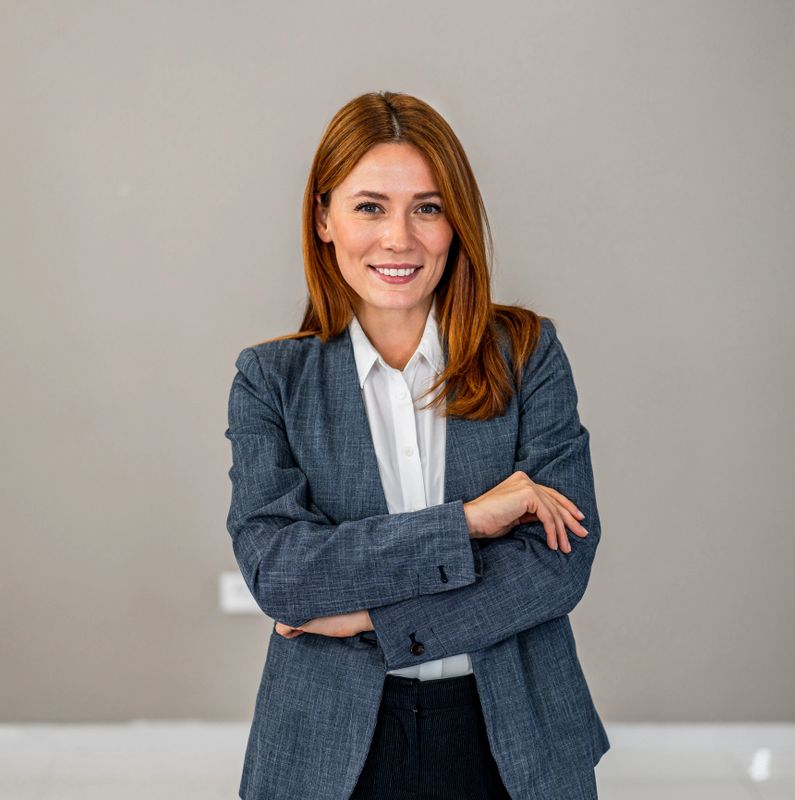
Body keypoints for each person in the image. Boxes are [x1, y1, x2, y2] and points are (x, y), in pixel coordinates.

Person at [225, 90, 610, 800]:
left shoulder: (528, 354)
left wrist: (370, 615)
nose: (399, 238)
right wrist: (465, 524)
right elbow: (280, 574)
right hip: (329, 750)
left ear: (455, 222)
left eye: (427, 207)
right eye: (370, 206)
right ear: (324, 219)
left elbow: (559, 565)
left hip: (515, 737)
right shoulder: (270, 381)